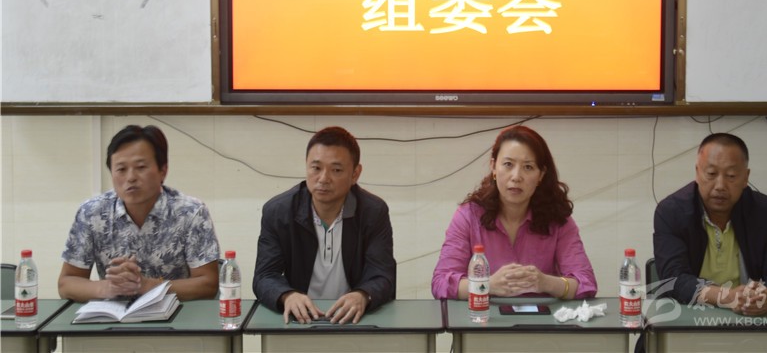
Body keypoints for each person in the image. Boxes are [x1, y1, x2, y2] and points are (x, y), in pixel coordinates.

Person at [431, 125, 597, 300]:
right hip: (483, 315)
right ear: (494, 167)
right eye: (508, 164)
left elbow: (586, 283)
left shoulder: (557, 218)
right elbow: (440, 283)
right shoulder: (469, 216)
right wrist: (488, 285)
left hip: (543, 317)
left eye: (528, 167)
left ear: (541, 175)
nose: (516, 177)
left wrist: (545, 283)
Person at [58, 125, 221, 302]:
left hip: (176, 315)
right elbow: (67, 283)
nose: (131, 177)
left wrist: (148, 286)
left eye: (141, 167)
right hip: (113, 315)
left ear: (163, 171)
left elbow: (208, 284)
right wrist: (107, 288)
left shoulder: (190, 212)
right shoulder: (92, 213)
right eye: (121, 169)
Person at [253, 126, 396, 325]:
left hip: (354, 319)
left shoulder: (373, 212)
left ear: (355, 174)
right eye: (316, 168)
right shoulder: (278, 212)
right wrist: (287, 295)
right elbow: (265, 275)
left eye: (336, 170)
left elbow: (383, 274)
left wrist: (363, 295)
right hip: (301, 318)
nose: (323, 179)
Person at [653, 132, 767, 315]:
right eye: (711, 174)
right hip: (687, 318)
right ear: (697, 173)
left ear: (745, 177)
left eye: (731, 175)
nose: (720, 185)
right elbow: (673, 280)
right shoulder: (672, 212)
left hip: (750, 319)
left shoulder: (765, 212)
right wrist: (726, 297)